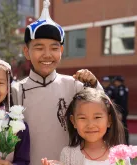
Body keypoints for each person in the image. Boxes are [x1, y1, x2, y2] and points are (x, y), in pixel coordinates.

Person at [12, 1, 103, 164]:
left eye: (54, 48)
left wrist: (95, 84)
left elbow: (102, 112)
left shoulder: (74, 85)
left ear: (61, 51)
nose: (47, 54)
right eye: (39, 48)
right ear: (27, 52)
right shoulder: (16, 90)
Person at [41, 88, 130, 165]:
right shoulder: (69, 154)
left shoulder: (121, 155)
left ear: (109, 120)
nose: (90, 125)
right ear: (73, 121)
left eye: (97, 117)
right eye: (82, 118)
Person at [113, 76, 129, 145]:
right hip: (122, 111)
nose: (114, 83)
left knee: (123, 126)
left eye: (115, 81)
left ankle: (125, 142)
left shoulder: (121, 89)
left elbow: (122, 102)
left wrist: (120, 112)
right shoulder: (122, 88)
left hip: (122, 111)